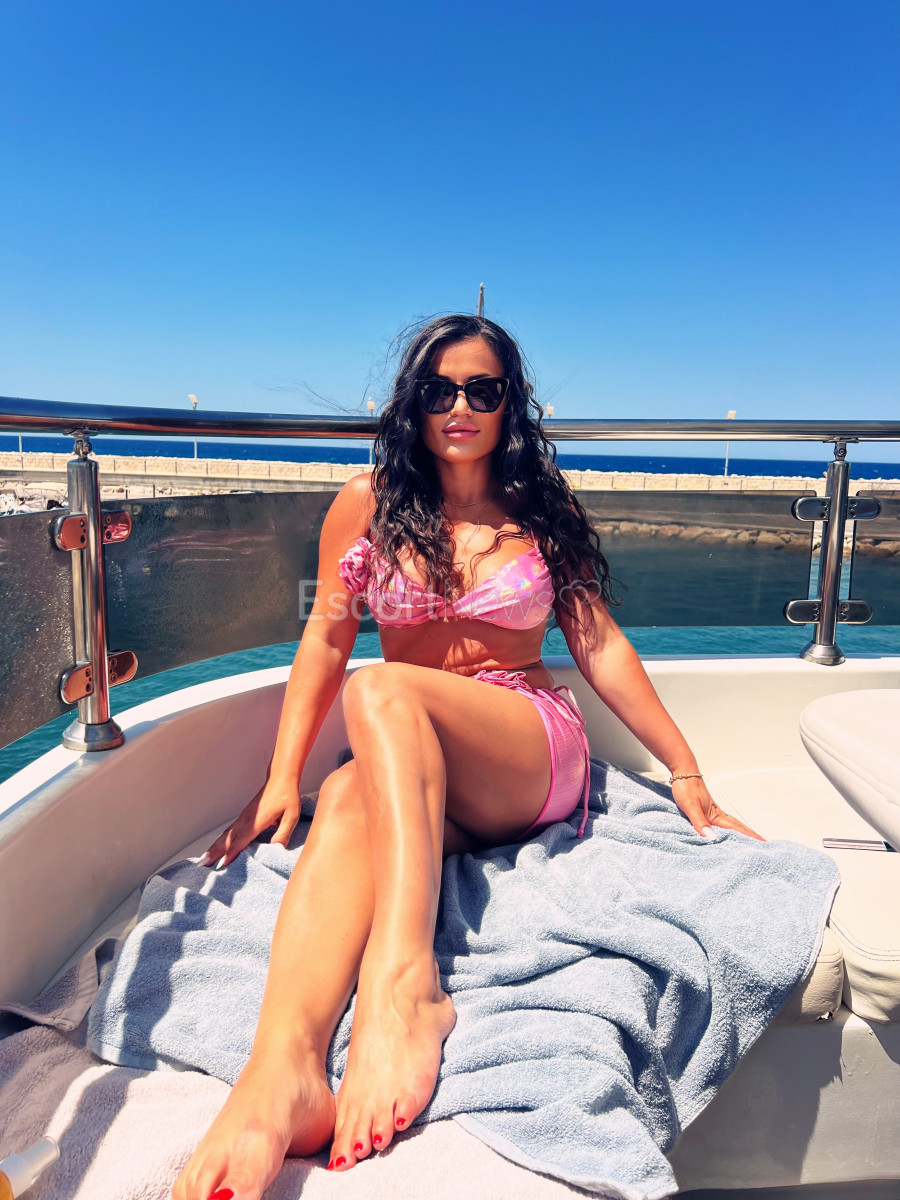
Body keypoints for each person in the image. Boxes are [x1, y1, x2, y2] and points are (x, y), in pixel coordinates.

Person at [173, 315, 759, 1200]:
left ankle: (405, 985)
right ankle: (280, 1074)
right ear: (413, 401)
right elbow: (326, 640)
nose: (459, 406)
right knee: (346, 801)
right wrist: (282, 778)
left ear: (508, 403)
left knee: (381, 690)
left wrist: (684, 769)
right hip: (415, 761)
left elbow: (598, 645)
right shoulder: (367, 504)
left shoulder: (542, 509)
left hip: (525, 747)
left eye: (482, 390)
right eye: (439, 389)